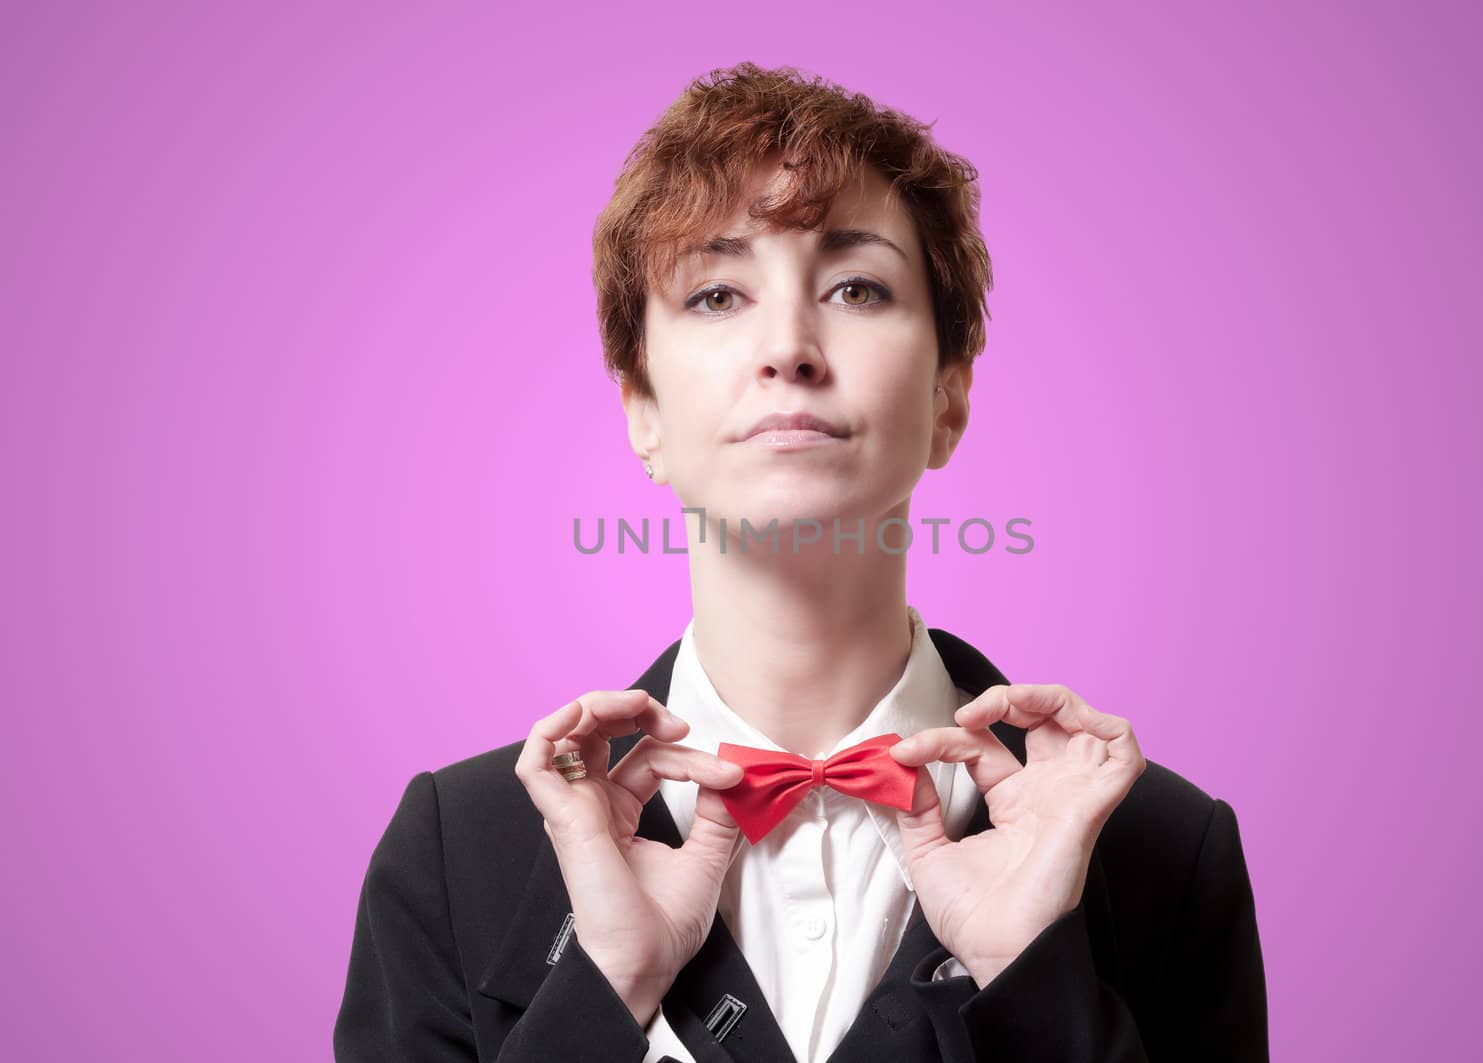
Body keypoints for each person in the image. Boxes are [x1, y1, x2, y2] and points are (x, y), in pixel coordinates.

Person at [334, 61, 1269, 1062]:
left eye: (856, 287)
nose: (788, 346)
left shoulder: (1161, 846)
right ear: (640, 410)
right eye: (717, 293)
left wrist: (1033, 974)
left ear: (949, 397)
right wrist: (607, 990)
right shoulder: (456, 848)